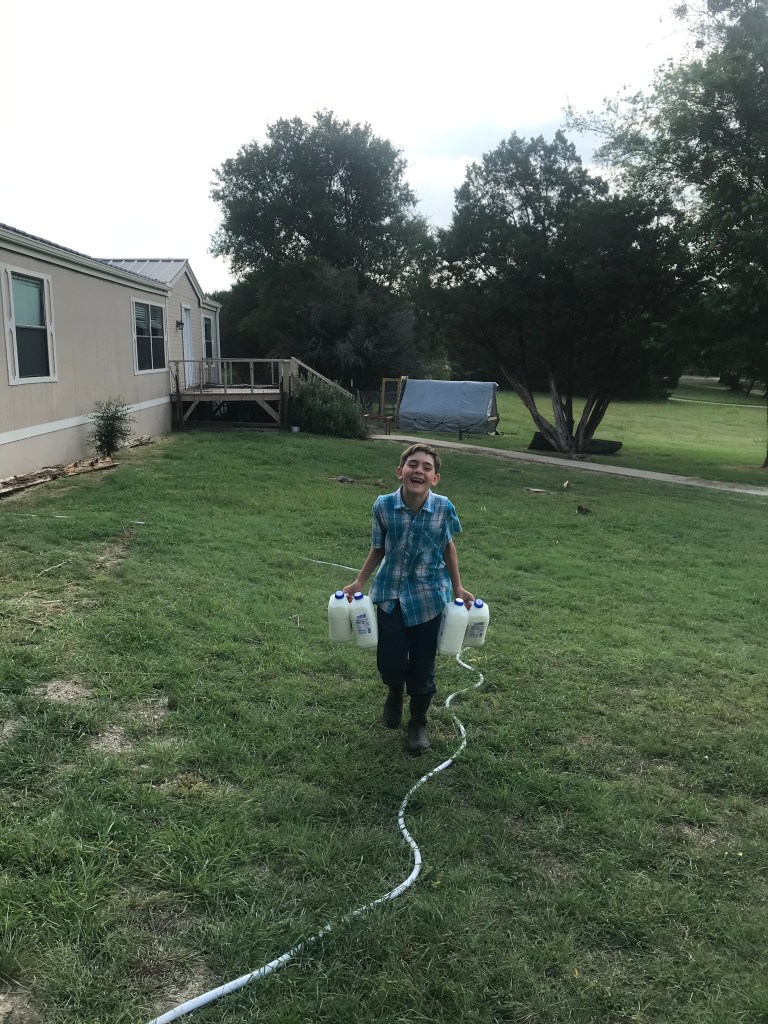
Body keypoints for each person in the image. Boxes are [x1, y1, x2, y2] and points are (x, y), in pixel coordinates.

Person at [343, 443, 474, 756]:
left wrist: (458, 588)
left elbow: (448, 546)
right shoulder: (383, 506)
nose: (419, 471)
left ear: (435, 478)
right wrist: (360, 581)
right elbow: (378, 547)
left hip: (429, 598)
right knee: (390, 661)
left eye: (427, 467)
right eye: (413, 464)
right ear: (400, 471)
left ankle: (418, 721)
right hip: (390, 595)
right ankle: (394, 689)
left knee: (422, 665)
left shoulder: (443, 508)